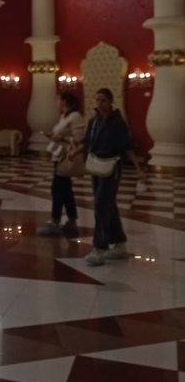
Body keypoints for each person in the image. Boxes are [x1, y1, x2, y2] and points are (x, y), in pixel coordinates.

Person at [73, 87, 146, 266]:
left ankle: (99, 248)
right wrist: (74, 152)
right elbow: (88, 142)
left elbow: (127, 146)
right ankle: (119, 244)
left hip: (112, 168)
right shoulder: (94, 121)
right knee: (108, 205)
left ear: (110, 101)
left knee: (100, 205)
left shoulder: (118, 123)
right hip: (96, 166)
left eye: (103, 100)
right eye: (97, 100)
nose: (100, 103)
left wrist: (138, 169)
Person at [38, 91, 84, 238]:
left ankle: (55, 221)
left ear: (64, 101)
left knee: (57, 189)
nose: (56, 102)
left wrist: (61, 138)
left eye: (58, 99)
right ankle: (71, 221)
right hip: (58, 156)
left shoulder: (75, 116)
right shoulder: (63, 116)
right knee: (65, 189)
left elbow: (79, 139)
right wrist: (52, 136)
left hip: (66, 157)